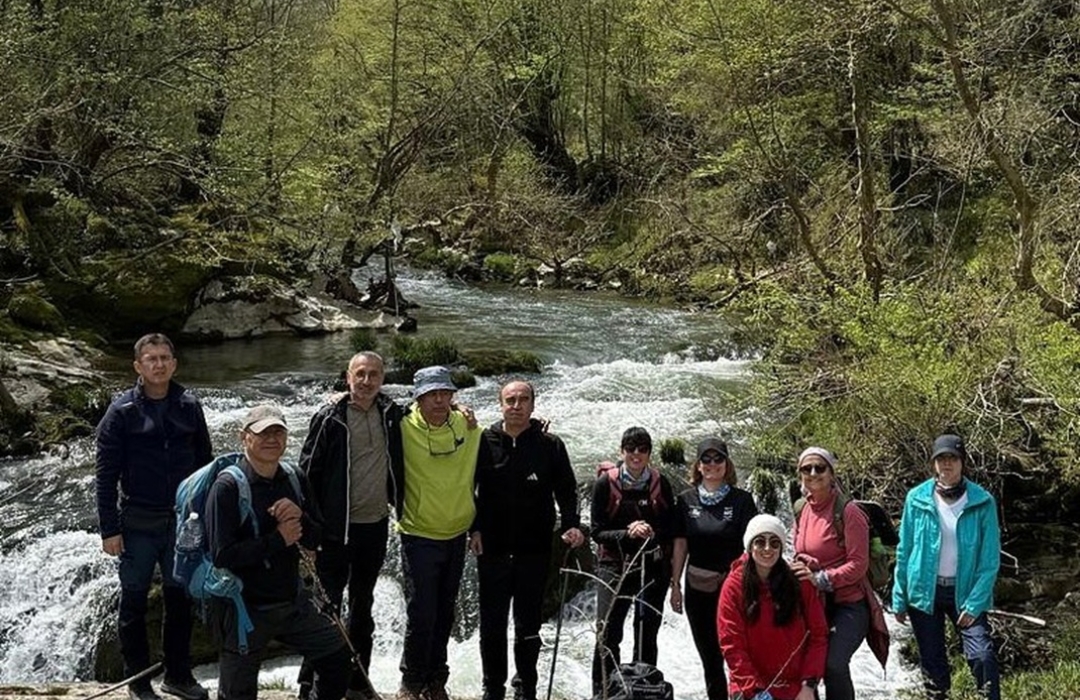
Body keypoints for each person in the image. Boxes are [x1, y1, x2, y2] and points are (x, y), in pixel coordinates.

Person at [205, 404, 351, 700]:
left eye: (278, 432)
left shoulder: (294, 476)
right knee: (237, 694)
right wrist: (278, 540)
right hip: (244, 609)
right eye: (263, 433)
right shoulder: (227, 487)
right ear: (244, 437)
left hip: (291, 601)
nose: (272, 439)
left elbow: (317, 536)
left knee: (338, 658)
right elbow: (222, 555)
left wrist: (300, 517)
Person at [95, 333, 213, 700]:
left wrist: (208, 517)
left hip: (183, 520)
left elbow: (205, 466)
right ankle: (137, 681)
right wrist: (108, 529)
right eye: (151, 359)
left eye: (164, 358)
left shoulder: (189, 406)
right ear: (138, 366)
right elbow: (105, 475)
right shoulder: (122, 412)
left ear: (174, 364)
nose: (158, 364)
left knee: (180, 600)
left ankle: (178, 675)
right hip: (138, 521)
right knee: (133, 600)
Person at [297, 351, 405, 700]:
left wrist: (462, 413)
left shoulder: (392, 414)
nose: (367, 380)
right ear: (348, 377)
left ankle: (358, 683)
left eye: (374, 374)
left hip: (374, 527)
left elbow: (433, 417)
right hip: (334, 531)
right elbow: (306, 475)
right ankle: (309, 685)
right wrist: (309, 533)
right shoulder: (329, 417)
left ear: (382, 378)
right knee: (325, 611)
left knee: (363, 608)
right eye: (360, 374)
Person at [470, 380, 586, 700]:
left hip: (534, 550)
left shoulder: (550, 445)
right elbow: (469, 490)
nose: (516, 405)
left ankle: (526, 688)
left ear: (533, 406)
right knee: (492, 626)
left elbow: (566, 490)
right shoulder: (483, 441)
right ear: (500, 404)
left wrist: (572, 525)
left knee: (528, 627)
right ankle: (492, 688)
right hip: (492, 549)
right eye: (510, 400)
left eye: (523, 400)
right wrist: (474, 529)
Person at [397, 366, 488, 700]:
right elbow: (367, 405)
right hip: (418, 533)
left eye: (445, 393)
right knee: (421, 612)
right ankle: (411, 682)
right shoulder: (401, 427)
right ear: (418, 397)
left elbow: (494, 448)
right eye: (431, 394)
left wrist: (537, 427)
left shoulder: (467, 424)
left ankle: (437, 680)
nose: (439, 400)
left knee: (445, 611)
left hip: (457, 535)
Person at [892, 434, 1001, 700]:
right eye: (941, 459)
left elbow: (989, 561)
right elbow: (905, 549)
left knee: (983, 657)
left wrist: (974, 604)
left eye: (952, 458)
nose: (946, 465)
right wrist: (899, 595)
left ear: (962, 462)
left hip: (964, 593)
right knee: (933, 667)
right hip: (923, 592)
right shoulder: (916, 498)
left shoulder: (982, 501)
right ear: (934, 464)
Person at [669, 438, 758, 700]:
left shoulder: (742, 501)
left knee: (738, 654)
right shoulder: (685, 501)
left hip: (735, 590)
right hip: (698, 590)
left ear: (726, 464)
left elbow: (755, 547)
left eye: (718, 459)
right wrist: (675, 586)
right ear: (697, 465)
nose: (712, 464)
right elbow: (680, 544)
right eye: (705, 459)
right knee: (710, 659)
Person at [590, 427, 675, 696]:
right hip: (614, 566)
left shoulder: (661, 484)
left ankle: (645, 691)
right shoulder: (606, 484)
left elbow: (671, 528)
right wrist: (628, 532)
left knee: (646, 634)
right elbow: (596, 532)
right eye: (631, 449)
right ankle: (602, 692)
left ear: (650, 453)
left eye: (642, 449)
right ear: (622, 451)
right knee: (607, 635)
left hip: (652, 567)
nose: (636, 454)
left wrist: (650, 531)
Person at [789, 447, 872, 700]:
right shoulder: (801, 508)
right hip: (812, 604)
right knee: (803, 664)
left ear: (832, 473)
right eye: (806, 469)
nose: (813, 473)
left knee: (833, 664)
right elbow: (797, 552)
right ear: (799, 474)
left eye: (820, 467)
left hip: (848, 605)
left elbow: (859, 564)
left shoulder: (848, 512)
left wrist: (821, 579)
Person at [717, 514, 827, 700]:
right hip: (748, 685)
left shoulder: (800, 582)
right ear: (750, 547)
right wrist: (756, 691)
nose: (767, 549)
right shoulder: (733, 586)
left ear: (782, 547)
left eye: (775, 543)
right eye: (760, 542)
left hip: (797, 686)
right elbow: (732, 645)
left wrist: (809, 684)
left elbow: (818, 635)